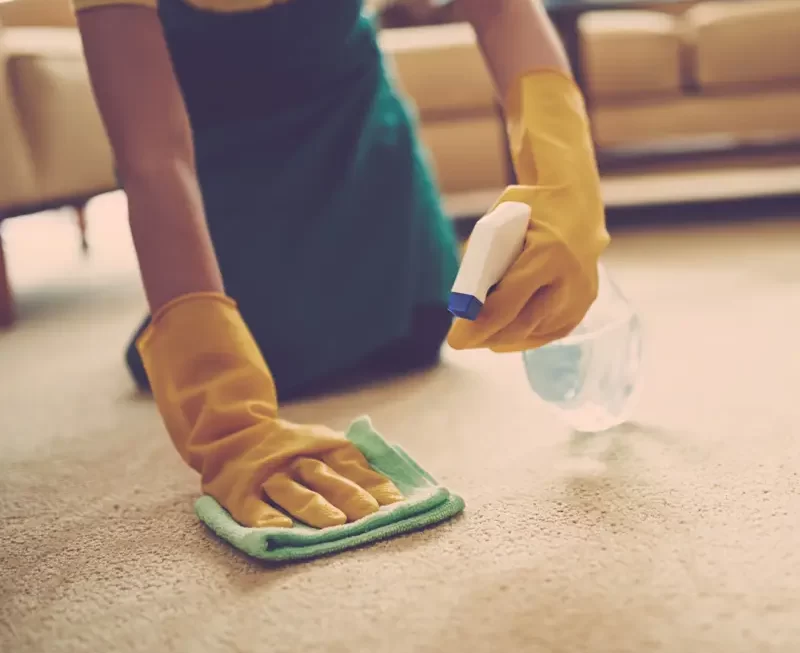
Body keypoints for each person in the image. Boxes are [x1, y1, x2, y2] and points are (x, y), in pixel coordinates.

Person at [73, 0, 609, 529]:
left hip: (357, 151)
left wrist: (564, 176)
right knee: (266, 347)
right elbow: (154, 162)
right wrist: (226, 418)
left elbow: (499, 8)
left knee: (416, 329)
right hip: (217, 180)